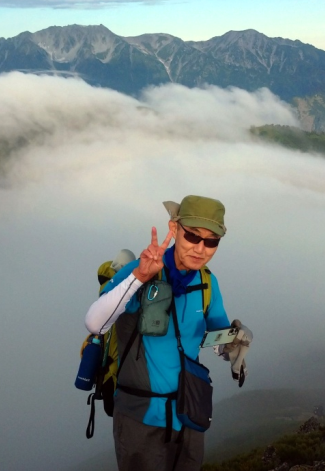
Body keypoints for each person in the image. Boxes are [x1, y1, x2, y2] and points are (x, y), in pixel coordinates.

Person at [83, 195, 236, 471]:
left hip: (189, 416)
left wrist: (234, 346)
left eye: (212, 241)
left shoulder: (206, 282)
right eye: (193, 236)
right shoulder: (139, 272)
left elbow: (218, 335)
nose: (201, 249)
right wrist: (139, 277)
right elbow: (95, 322)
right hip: (140, 419)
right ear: (174, 229)